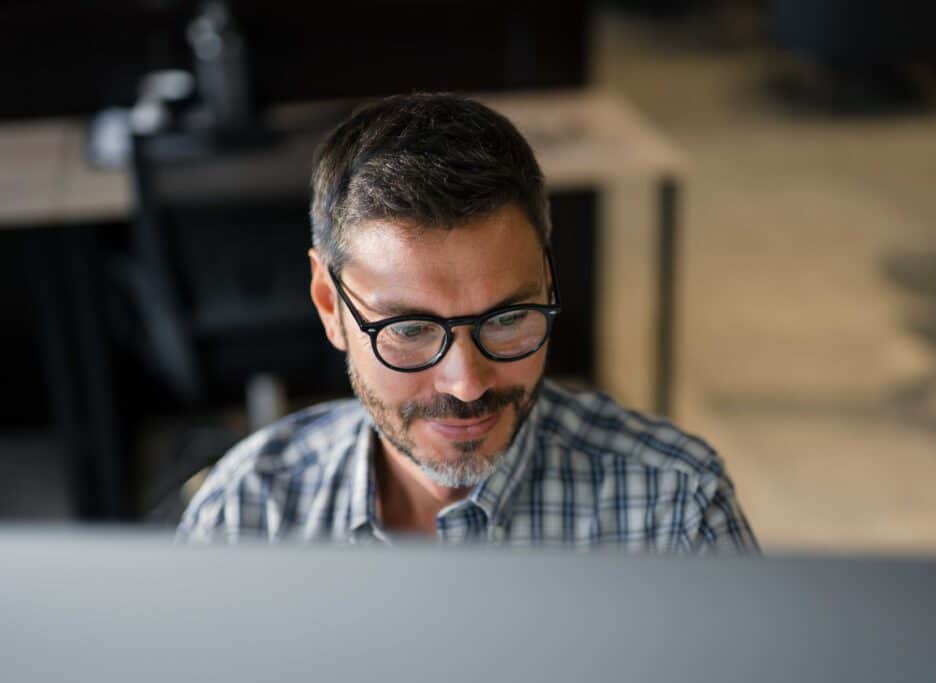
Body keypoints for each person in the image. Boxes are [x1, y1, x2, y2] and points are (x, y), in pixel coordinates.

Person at [177, 93, 757, 553]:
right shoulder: (245, 518)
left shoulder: (676, 512)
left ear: (549, 285)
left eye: (507, 318)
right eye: (408, 330)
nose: (468, 384)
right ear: (330, 305)